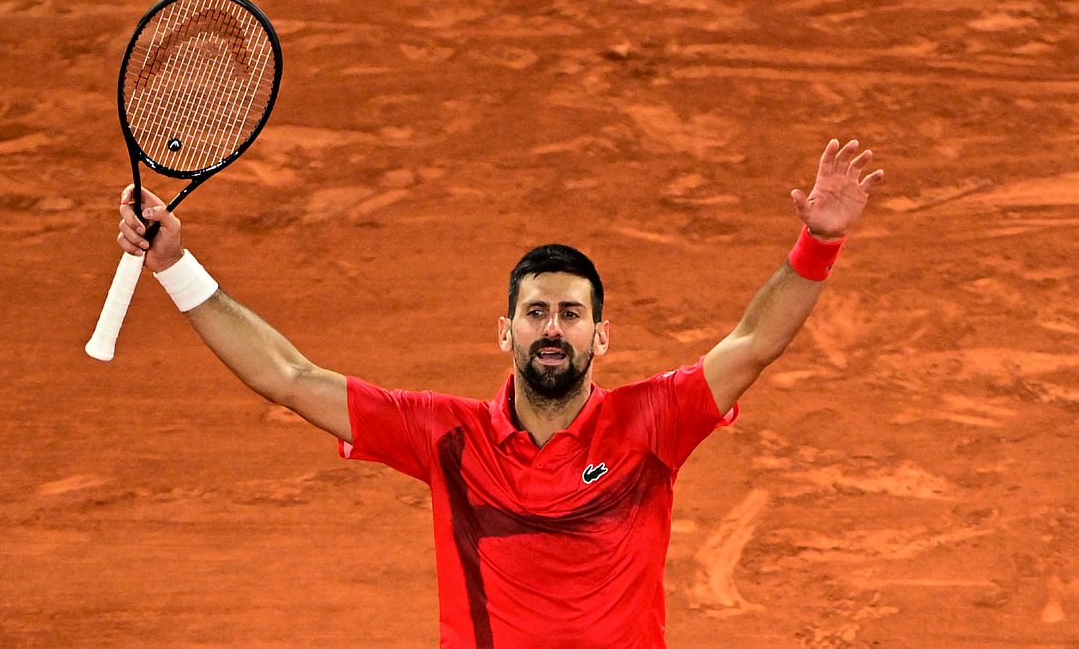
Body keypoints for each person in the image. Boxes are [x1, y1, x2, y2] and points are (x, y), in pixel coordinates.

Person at [116, 138, 883, 648]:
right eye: (536, 312)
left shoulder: (655, 419)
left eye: (572, 314)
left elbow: (755, 343)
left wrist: (819, 241)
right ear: (506, 333)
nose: (554, 329)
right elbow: (289, 378)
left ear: (600, 336)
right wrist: (177, 267)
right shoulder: (444, 436)